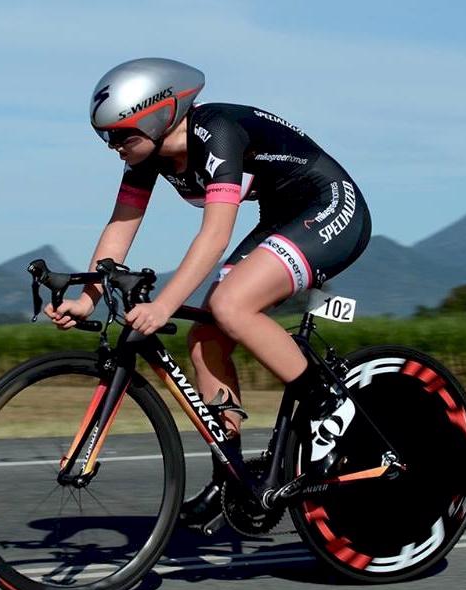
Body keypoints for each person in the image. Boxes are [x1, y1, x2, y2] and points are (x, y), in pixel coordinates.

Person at [45, 57, 371, 528]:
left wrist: (164, 305)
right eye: (106, 138)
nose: (114, 147)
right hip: (281, 218)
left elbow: (215, 236)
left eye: (121, 135)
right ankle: (231, 477)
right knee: (206, 338)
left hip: (331, 206)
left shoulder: (216, 131)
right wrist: (87, 298)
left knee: (230, 305)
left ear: (158, 117)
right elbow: (120, 228)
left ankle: (331, 406)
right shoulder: (147, 156)